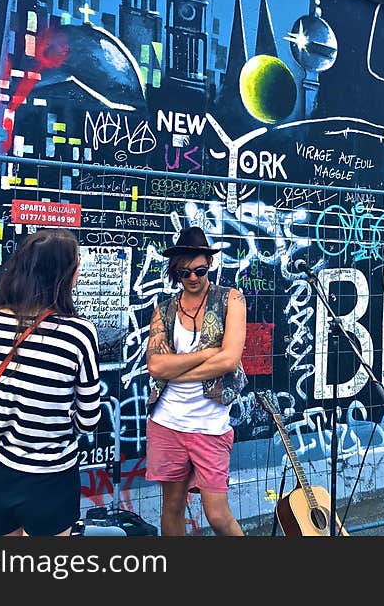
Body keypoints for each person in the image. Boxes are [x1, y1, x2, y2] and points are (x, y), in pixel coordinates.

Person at [0, 229, 101, 536]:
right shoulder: (78, 334)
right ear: (64, 275)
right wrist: (54, 427)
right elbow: (88, 418)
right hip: (53, 477)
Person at [145, 226, 247, 536]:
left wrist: (177, 369)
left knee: (217, 514)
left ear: (210, 266)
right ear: (175, 272)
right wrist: (207, 355)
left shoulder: (232, 299)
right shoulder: (164, 310)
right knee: (172, 508)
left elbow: (229, 360)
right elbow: (156, 366)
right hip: (167, 421)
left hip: (210, 424)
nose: (192, 278)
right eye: (184, 273)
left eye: (199, 271)